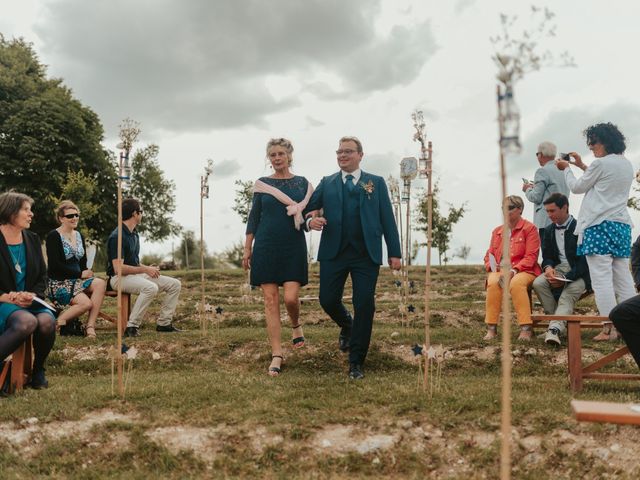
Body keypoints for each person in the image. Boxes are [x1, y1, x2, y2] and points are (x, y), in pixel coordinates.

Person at [306, 136, 402, 380]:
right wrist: (311, 219)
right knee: (327, 299)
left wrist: (394, 252)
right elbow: (310, 208)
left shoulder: (376, 183)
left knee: (365, 305)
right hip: (333, 253)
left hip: (365, 255)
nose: (342, 156)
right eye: (339, 152)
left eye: (348, 151)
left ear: (360, 155)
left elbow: (387, 219)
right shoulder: (326, 183)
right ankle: (347, 325)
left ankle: (356, 361)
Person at [556, 122, 635, 341]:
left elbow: (577, 187)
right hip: (621, 225)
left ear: (604, 142)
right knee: (623, 277)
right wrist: (582, 165)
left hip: (598, 224)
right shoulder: (625, 164)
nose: (591, 147)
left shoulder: (601, 164)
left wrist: (567, 169)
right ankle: (631, 324)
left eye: (593, 143)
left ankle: (609, 327)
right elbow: (599, 179)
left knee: (601, 278)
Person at [243, 138, 313, 376]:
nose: (276, 158)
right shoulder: (262, 185)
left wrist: (314, 220)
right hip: (266, 246)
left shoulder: (303, 184)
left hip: (292, 245)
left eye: (281, 154)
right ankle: (277, 354)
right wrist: (247, 248)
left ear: (289, 156)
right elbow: (254, 217)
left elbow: (308, 216)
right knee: (270, 300)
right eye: (272, 155)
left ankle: (296, 326)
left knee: (291, 299)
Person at [0, 192, 56, 389]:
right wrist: (6, 296)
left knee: (47, 321)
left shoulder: (32, 239)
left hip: (30, 302)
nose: (31, 214)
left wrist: (33, 295)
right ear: (10, 211)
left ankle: (38, 370)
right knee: (27, 322)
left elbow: (42, 275)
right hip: (3, 303)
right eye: (26, 209)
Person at [106, 198, 182, 338]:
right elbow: (119, 269)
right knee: (150, 288)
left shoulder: (134, 234)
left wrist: (147, 267)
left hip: (134, 276)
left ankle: (164, 324)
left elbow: (134, 263)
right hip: (118, 279)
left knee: (175, 284)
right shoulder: (117, 236)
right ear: (135, 213)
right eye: (141, 211)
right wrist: (145, 270)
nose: (142, 214)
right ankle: (132, 327)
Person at [532, 193, 590, 346]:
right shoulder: (549, 230)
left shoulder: (581, 228)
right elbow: (547, 256)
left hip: (581, 273)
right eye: (547, 211)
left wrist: (565, 279)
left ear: (565, 208)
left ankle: (554, 330)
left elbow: (585, 262)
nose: (549, 215)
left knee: (566, 295)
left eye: (553, 211)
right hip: (559, 269)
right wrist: (549, 268)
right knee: (538, 283)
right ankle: (556, 325)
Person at [483, 195, 542, 341]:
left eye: (509, 208)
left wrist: (514, 270)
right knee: (493, 282)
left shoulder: (530, 229)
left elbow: (531, 257)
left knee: (516, 284)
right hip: (501, 270)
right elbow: (488, 255)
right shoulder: (497, 231)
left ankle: (526, 328)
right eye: (503, 208)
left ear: (520, 209)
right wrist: (491, 266)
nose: (505, 211)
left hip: (524, 270)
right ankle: (491, 328)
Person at [45, 201, 106, 339]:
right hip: (59, 283)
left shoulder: (79, 235)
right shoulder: (53, 236)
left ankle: (90, 327)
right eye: (70, 216)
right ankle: (54, 324)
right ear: (61, 218)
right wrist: (79, 273)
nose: (74, 218)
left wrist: (87, 271)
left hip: (76, 281)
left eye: (77, 215)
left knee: (100, 283)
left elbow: (83, 262)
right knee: (86, 304)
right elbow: (54, 265)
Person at [522, 141, 570, 245]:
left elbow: (536, 197)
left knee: (549, 255)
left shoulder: (542, 171)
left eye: (537, 154)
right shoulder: (564, 170)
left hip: (546, 221)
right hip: (563, 219)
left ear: (541, 154)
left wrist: (527, 189)